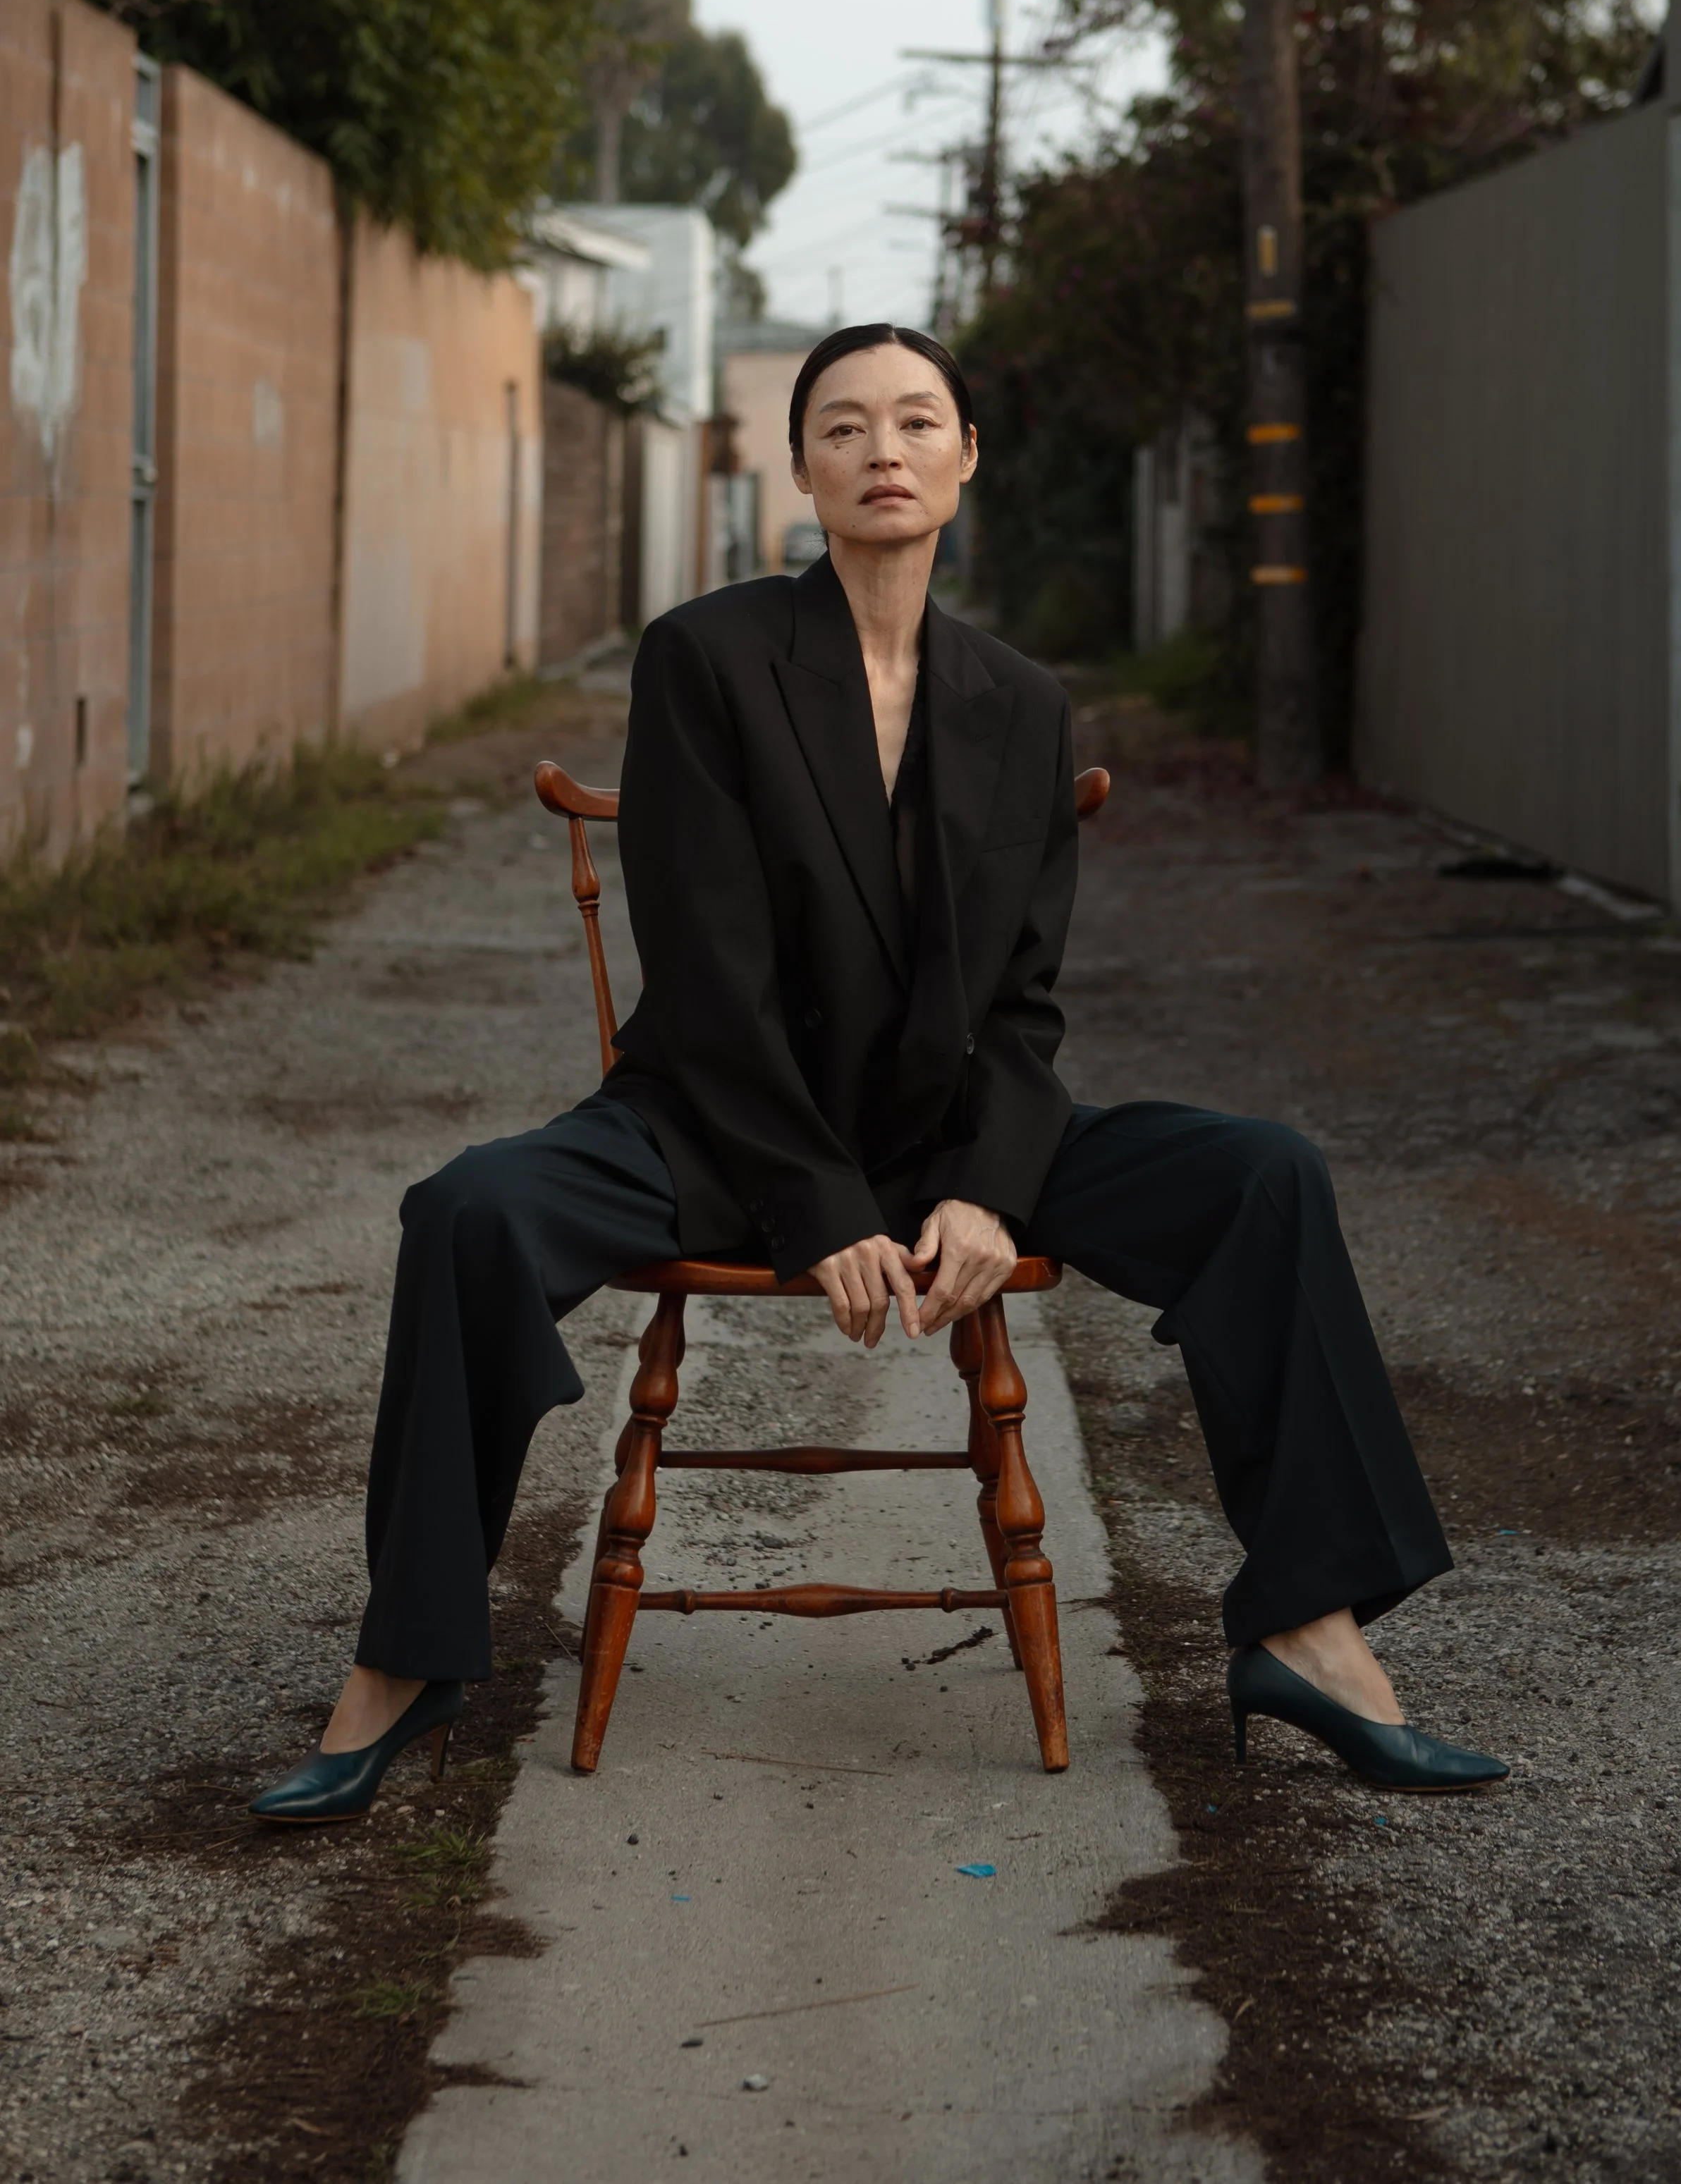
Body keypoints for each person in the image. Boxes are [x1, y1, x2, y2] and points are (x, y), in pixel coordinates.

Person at [252, 323, 1505, 1823]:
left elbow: (1024, 1012)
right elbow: (708, 986)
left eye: (917, 422)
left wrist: (985, 1188)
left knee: (1262, 1175)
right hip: (714, 1127)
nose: (883, 450)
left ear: (966, 460)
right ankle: (404, 1661)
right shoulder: (706, 659)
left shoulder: (1021, 705)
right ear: (801, 469)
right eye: (843, 428)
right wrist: (817, 1205)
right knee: (466, 1212)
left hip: (948, 1137)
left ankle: (1309, 1638)